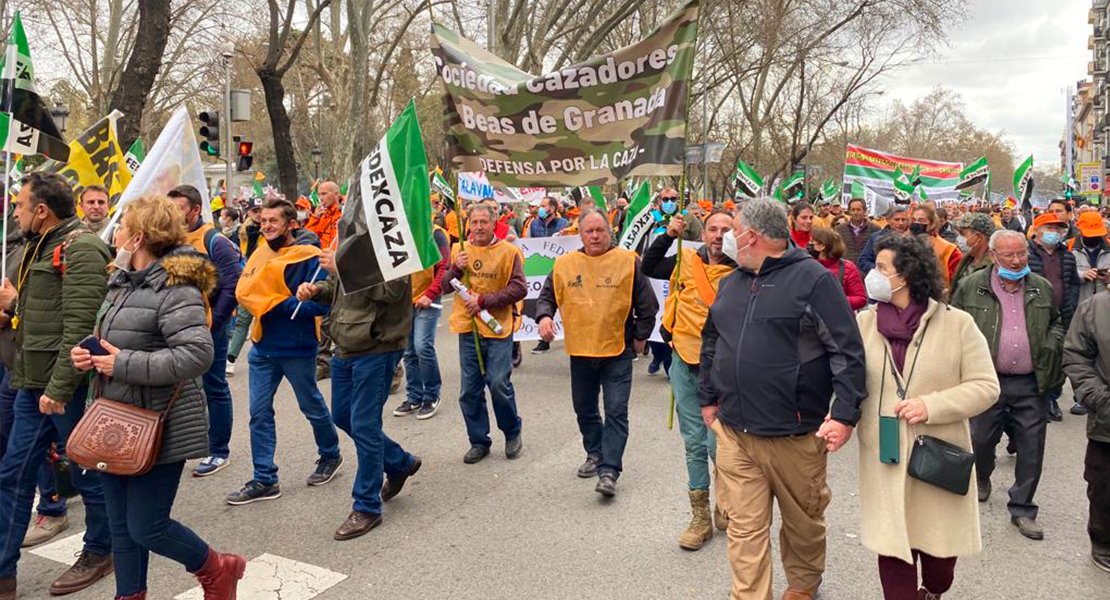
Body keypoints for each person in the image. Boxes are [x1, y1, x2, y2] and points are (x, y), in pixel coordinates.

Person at [71, 195, 246, 600]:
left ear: (140, 236)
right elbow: (119, 344)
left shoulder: (175, 286)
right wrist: (90, 355)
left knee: (146, 526)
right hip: (113, 419)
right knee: (120, 527)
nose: (116, 231)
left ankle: (219, 568)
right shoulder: (121, 281)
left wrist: (122, 364)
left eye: (123, 225)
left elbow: (196, 354)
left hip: (157, 425)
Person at [700, 199, 867, 600]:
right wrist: (708, 397)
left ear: (751, 236)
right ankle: (751, 594)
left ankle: (803, 584)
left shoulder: (813, 280)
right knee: (744, 527)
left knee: (803, 523)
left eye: (732, 230)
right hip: (735, 432)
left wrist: (843, 415)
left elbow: (847, 351)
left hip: (795, 434)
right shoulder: (732, 281)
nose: (724, 238)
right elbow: (712, 340)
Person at [854, 234, 999, 600]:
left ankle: (932, 590)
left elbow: (985, 386)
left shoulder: (958, 324)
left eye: (882, 268)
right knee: (892, 552)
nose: (873, 273)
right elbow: (848, 383)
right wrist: (833, 419)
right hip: (884, 456)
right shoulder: (864, 324)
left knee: (940, 568)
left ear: (906, 275)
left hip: (937, 457)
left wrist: (931, 406)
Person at [0, 172, 113, 598]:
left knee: (88, 474)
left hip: (66, 388)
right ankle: (3, 572)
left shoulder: (82, 248)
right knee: (13, 474)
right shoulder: (35, 245)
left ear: (42, 211)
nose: (16, 212)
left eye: (21, 205)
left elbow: (81, 327)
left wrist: (60, 389)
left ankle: (100, 551)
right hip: (31, 382)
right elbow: (40, 313)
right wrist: (12, 308)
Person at [296, 245, 423, 541]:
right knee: (342, 415)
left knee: (365, 425)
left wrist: (341, 267)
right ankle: (399, 461)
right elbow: (342, 290)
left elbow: (391, 290)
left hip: (377, 348)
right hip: (346, 345)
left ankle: (367, 507)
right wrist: (317, 289)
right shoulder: (352, 238)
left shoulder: (391, 238)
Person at [227, 198, 344, 505]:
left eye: (273, 221)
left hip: (297, 346)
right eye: (263, 221)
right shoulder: (259, 252)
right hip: (263, 346)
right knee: (258, 413)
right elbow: (246, 291)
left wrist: (280, 303)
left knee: (311, 405)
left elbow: (322, 304)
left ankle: (330, 455)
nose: (266, 226)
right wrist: (275, 302)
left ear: (291, 224)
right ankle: (265, 478)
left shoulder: (310, 257)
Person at [950, 229, 1063, 541]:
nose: (1017, 260)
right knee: (981, 438)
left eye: (1022, 253)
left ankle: (1023, 507)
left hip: (1031, 382)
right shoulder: (972, 286)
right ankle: (982, 477)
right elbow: (953, 326)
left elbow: (1056, 321)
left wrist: (1052, 345)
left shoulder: (1040, 287)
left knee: (1032, 446)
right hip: (986, 381)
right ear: (994, 255)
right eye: (1009, 255)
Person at [536, 210, 657, 498]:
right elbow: (546, 296)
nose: (594, 236)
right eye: (589, 231)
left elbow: (648, 305)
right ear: (580, 234)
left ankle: (609, 471)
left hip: (617, 352)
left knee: (616, 411)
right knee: (585, 409)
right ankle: (595, 452)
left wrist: (640, 338)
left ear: (609, 231)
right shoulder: (565, 264)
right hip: (580, 351)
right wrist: (543, 317)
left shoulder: (628, 261)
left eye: (599, 230)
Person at [642, 209, 735, 547]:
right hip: (683, 359)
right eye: (713, 228)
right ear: (704, 232)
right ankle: (699, 517)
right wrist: (668, 234)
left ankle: (727, 500)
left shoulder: (745, 271)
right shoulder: (684, 260)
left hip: (723, 368)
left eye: (727, 229)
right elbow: (648, 267)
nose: (719, 235)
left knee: (718, 443)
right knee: (694, 441)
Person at [441, 203, 526, 464]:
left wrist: (484, 300)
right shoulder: (459, 250)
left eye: (483, 222)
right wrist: (455, 268)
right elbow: (444, 286)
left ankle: (512, 431)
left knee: (498, 382)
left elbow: (519, 289)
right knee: (469, 390)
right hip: (469, 328)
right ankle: (479, 440)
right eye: (474, 222)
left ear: (493, 223)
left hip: (497, 327)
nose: (478, 227)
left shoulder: (509, 252)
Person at [167, 185, 243, 478]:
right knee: (179, 388)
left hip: (209, 328)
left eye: (179, 209)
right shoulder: (168, 239)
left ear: (195, 210)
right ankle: (183, 445)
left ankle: (218, 450)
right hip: (174, 327)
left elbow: (233, 284)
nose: (173, 215)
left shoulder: (215, 241)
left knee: (214, 387)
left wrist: (213, 323)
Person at [1062, 285, 1110, 573]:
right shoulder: (1095, 308)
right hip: (1107, 420)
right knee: (1103, 484)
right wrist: (1100, 399)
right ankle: (1103, 541)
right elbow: (1076, 357)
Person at [393, 220, 451, 419]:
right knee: (408, 352)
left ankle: (432, 395)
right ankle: (414, 396)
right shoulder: (397, 230)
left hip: (428, 300)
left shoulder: (435, 233)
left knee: (422, 347)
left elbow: (444, 266)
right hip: (404, 302)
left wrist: (431, 293)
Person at [1027, 213, 1081, 420]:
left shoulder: (1066, 255)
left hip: (1062, 315)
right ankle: (1036, 399)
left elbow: (1074, 281)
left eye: (1059, 229)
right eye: (1050, 228)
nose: (1055, 232)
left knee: (1059, 359)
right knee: (1036, 356)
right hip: (1034, 314)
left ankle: (1052, 398)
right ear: (1038, 230)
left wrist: (1071, 301)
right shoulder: (1027, 254)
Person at [226, 197, 264, 375]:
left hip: (267, 282)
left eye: (261, 211)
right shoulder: (240, 232)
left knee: (267, 321)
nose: (259, 215)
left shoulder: (272, 231)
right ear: (248, 212)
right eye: (255, 211)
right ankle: (230, 358)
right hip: (247, 280)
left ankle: (267, 357)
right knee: (242, 320)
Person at [811, 226, 867, 310]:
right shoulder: (808, 265)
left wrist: (835, 300)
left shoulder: (847, 267)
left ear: (822, 246)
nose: (809, 245)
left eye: (812, 242)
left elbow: (861, 299)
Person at [910, 205, 961, 285]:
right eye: (913, 220)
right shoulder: (904, 244)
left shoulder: (948, 248)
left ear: (932, 223)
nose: (917, 223)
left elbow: (955, 280)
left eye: (921, 220)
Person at [949, 212, 996, 297]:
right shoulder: (967, 260)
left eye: (962, 233)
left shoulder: (992, 268)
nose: (959, 238)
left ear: (978, 237)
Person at [1070, 211, 1110, 309]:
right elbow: (1063, 274)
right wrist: (1082, 275)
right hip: (1079, 304)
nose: (1093, 237)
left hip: (1105, 306)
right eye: (1090, 234)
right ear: (1079, 230)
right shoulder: (1068, 247)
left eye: (1096, 234)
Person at [858, 205, 911, 277]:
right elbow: (863, 261)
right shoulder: (876, 238)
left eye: (903, 219)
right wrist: (880, 270)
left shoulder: (913, 239)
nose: (900, 223)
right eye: (897, 219)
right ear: (888, 220)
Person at [835, 196, 881, 266]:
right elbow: (835, 251)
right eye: (853, 210)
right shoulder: (839, 229)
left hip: (867, 272)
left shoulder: (875, 229)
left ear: (865, 211)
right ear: (849, 211)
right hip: (846, 271)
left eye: (858, 209)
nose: (855, 212)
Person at [306, 181, 342, 250]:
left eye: (324, 194)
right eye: (319, 194)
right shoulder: (321, 215)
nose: (321, 198)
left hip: (336, 258)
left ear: (336, 194)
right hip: (321, 257)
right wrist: (315, 218)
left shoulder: (345, 213)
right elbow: (307, 238)